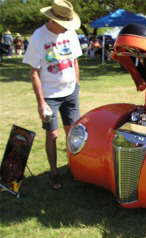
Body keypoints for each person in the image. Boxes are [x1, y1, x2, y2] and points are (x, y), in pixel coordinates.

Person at [23, 0, 82, 189]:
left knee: (73, 132)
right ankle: (54, 172)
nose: (67, 28)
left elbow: (74, 61)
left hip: (71, 91)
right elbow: (34, 72)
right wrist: (41, 103)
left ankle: (74, 167)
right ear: (53, 20)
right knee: (52, 134)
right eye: (64, 25)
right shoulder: (38, 37)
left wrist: (77, 86)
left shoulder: (70, 33)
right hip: (50, 95)